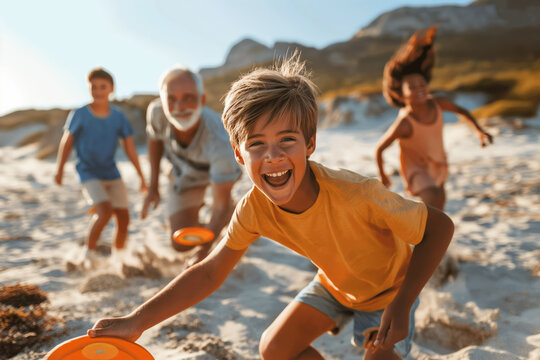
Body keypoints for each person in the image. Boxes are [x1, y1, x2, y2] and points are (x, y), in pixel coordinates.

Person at [88, 55, 454, 360]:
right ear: (237, 153)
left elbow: (439, 227)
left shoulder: (355, 192)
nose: (273, 157)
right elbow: (209, 273)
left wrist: (405, 302)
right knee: (273, 349)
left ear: (310, 143)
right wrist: (137, 320)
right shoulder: (254, 209)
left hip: (390, 291)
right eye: (257, 144)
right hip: (334, 285)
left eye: (287, 140)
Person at [375, 26, 493, 210]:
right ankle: (420, 235)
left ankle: (423, 237)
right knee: (434, 200)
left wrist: (479, 131)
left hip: (438, 165)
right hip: (417, 171)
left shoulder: (438, 103)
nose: (419, 88)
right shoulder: (405, 123)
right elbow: (380, 149)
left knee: (439, 209)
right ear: (401, 95)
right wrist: (383, 175)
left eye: (422, 83)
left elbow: (462, 111)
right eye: (412, 87)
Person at [141, 65, 241, 265]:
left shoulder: (220, 141)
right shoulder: (157, 113)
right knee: (180, 244)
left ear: (202, 100)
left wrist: (203, 253)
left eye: (188, 97)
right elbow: (154, 141)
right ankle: (218, 218)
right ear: (163, 101)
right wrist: (153, 187)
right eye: (171, 99)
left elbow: (218, 207)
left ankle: (232, 209)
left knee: (221, 210)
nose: (179, 106)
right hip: (182, 175)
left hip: (217, 176)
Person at [54, 67, 147, 268]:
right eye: (93, 87)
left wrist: (141, 176)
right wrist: (59, 169)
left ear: (111, 89)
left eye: (102, 87)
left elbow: (130, 149)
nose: (98, 91)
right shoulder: (80, 114)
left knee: (123, 218)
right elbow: (67, 142)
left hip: (111, 172)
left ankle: (119, 258)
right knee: (104, 212)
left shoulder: (118, 117)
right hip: (88, 171)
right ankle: (88, 255)